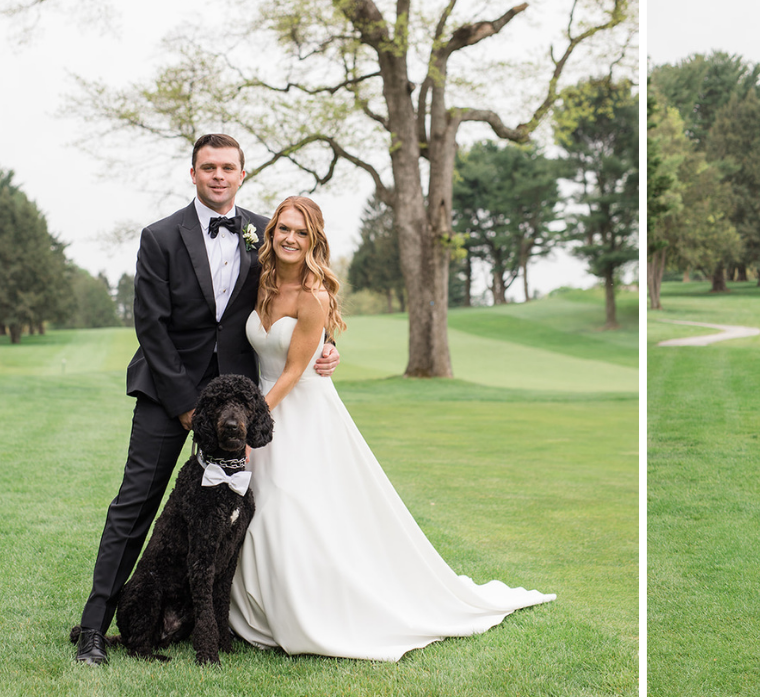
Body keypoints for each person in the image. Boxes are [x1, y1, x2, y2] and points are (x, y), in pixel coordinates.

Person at [227, 196, 554, 660]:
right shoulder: (261, 283)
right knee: (265, 508)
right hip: (264, 402)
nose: (291, 239)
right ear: (272, 231)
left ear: (314, 239)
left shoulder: (314, 296)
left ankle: (310, 612)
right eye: (284, 229)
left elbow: (294, 371)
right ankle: (257, 610)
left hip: (298, 410)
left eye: (302, 232)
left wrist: (250, 426)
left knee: (292, 506)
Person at [75, 134, 339, 665]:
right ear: (192, 173)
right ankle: (93, 630)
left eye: (228, 168)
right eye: (208, 167)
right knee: (135, 508)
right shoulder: (160, 237)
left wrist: (327, 346)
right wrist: (186, 407)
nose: (219, 176)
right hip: (166, 395)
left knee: (243, 514)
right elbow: (150, 326)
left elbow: (303, 290)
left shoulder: (267, 231)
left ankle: (230, 622)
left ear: (243, 174)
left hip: (237, 409)